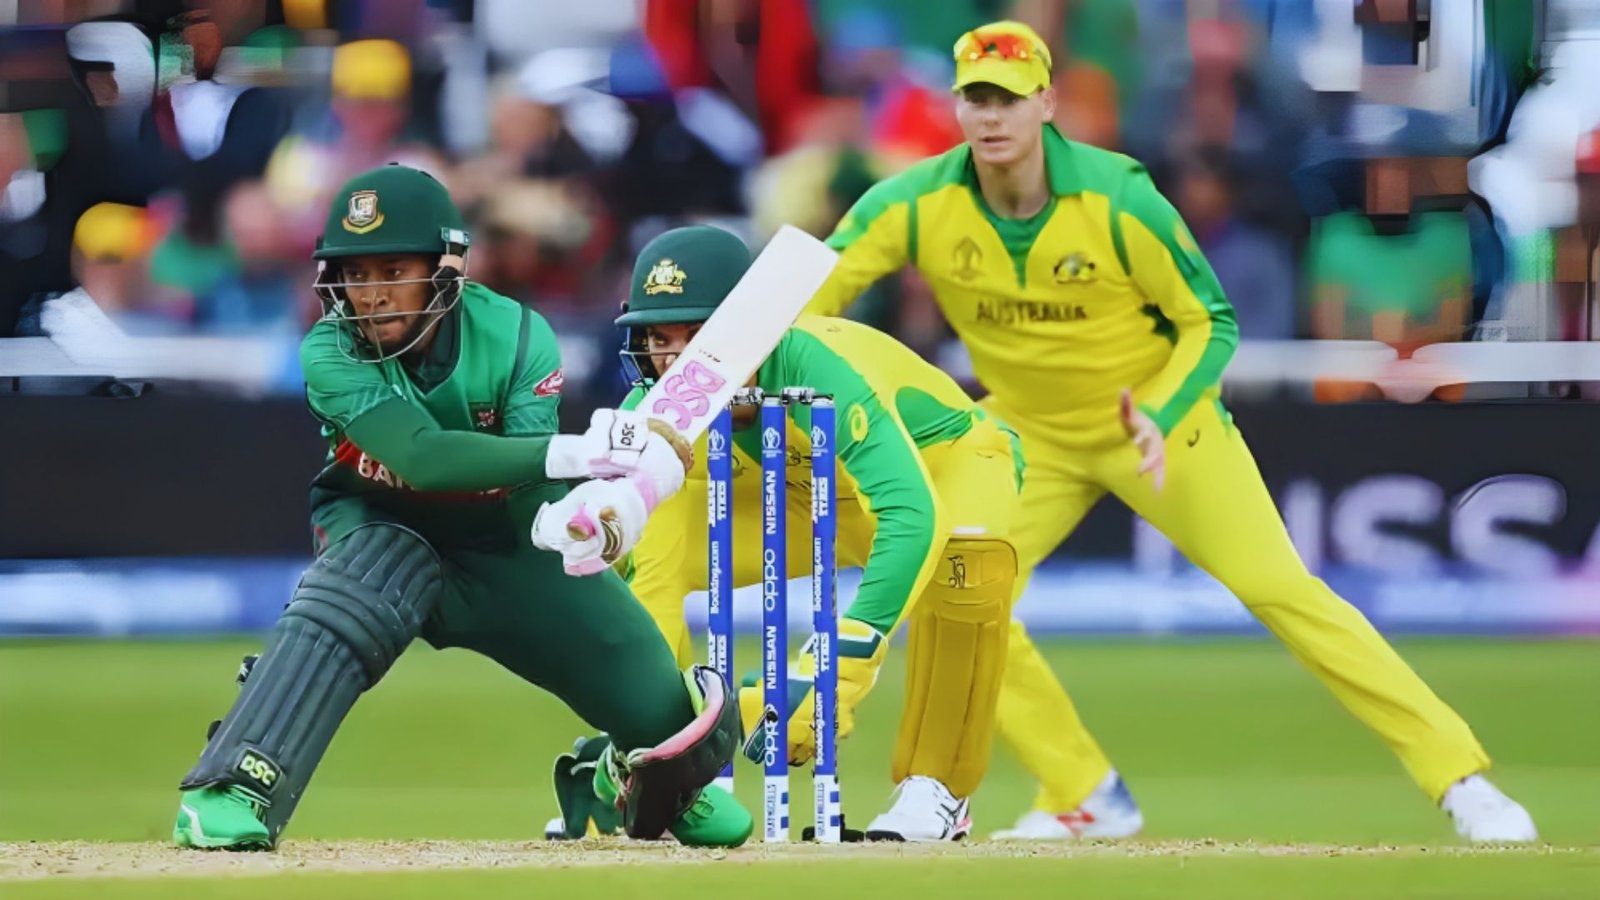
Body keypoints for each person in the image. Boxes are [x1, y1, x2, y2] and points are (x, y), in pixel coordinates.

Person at [803, 21, 1536, 844]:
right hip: (1027, 432)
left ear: (1047, 103)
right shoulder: (914, 203)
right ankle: (1082, 790)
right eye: (977, 98)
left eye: (1010, 98)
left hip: (1156, 424)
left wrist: (1158, 409)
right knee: (958, 590)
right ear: (957, 108)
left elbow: (1209, 321)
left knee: (1283, 591)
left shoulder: (1116, 196)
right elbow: (809, 295)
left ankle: (1460, 779)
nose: (993, 116)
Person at [171, 164, 750, 851]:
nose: (372, 294)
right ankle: (233, 788)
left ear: (445, 270)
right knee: (375, 571)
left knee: (647, 688)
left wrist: (575, 522)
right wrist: (582, 453)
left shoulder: (517, 336)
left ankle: (639, 777)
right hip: (380, 523)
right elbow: (421, 456)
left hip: (502, 536)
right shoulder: (329, 350)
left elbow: (530, 490)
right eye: (355, 274)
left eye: (394, 270)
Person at [548, 224, 1023, 842]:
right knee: (644, 544)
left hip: (944, 467)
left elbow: (912, 514)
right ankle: (652, 769)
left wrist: (832, 672)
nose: (676, 362)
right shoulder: (659, 409)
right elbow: (645, 570)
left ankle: (938, 789)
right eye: (659, 339)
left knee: (969, 563)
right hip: (804, 500)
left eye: (696, 335)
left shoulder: (818, 367)